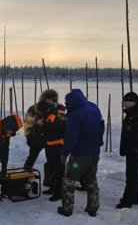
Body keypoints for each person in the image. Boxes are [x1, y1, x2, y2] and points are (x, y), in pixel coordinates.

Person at [57, 89, 104, 217]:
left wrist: (65, 153)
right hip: (94, 152)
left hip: (80, 155)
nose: (66, 106)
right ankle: (93, 207)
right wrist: (99, 142)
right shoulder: (93, 107)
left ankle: (67, 208)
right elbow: (101, 125)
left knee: (69, 180)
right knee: (91, 179)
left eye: (67, 103)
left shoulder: (75, 116)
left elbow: (72, 137)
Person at [23, 89, 65, 189]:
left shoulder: (58, 107)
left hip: (50, 138)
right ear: (44, 98)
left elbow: (62, 122)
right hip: (36, 137)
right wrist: (36, 122)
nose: (50, 102)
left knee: (51, 160)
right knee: (31, 158)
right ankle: (25, 177)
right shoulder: (34, 108)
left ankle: (49, 181)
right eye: (48, 99)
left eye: (52, 100)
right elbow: (27, 122)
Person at [116, 92, 138, 209]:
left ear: (132, 101)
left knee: (132, 177)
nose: (123, 103)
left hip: (136, 152)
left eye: (125, 101)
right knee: (133, 176)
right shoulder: (131, 114)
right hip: (132, 150)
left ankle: (127, 201)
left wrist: (136, 149)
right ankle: (134, 198)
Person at [34, 101, 67, 201]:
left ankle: (58, 193)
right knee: (52, 168)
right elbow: (43, 130)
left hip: (59, 146)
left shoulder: (60, 115)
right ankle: (52, 188)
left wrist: (43, 125)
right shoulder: (47, 115)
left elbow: (59, 129)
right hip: (50, 146)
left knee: (59, 171)